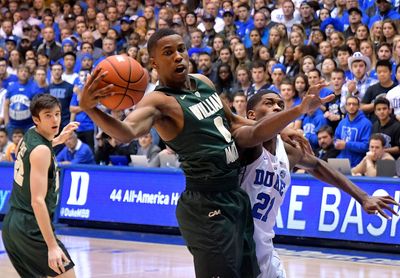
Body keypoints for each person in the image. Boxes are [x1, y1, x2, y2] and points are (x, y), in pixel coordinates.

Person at [79, 28, 334, 277]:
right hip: (205, 202)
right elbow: (126, 131)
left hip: (235, 197)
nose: (178, 56)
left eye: (181, 49)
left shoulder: (203, 82)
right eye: (168, 53)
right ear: (154, 63)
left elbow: (233, 121)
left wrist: (277, 131)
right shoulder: (159, 102)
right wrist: (91, 109)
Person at [240, 90, 399, 278]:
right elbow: (231, 122)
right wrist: (291, 118)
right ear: (251, 114)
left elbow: (318, 165)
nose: (276, 107)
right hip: (235, 247)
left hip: (264, 248)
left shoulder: (288, 151)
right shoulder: (243, 144)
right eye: (269, 103)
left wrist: (363, 197)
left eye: (281, 105)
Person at [2, 94, 79, 277]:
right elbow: (37, 201)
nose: (55, 119)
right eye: (48, 115)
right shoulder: (42, 151)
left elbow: (37, 151)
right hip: (30, 226)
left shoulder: (30, 133)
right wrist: (52, 246)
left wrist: (59, 140)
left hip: (12, 224)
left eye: (58, 114)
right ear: (36, 119)